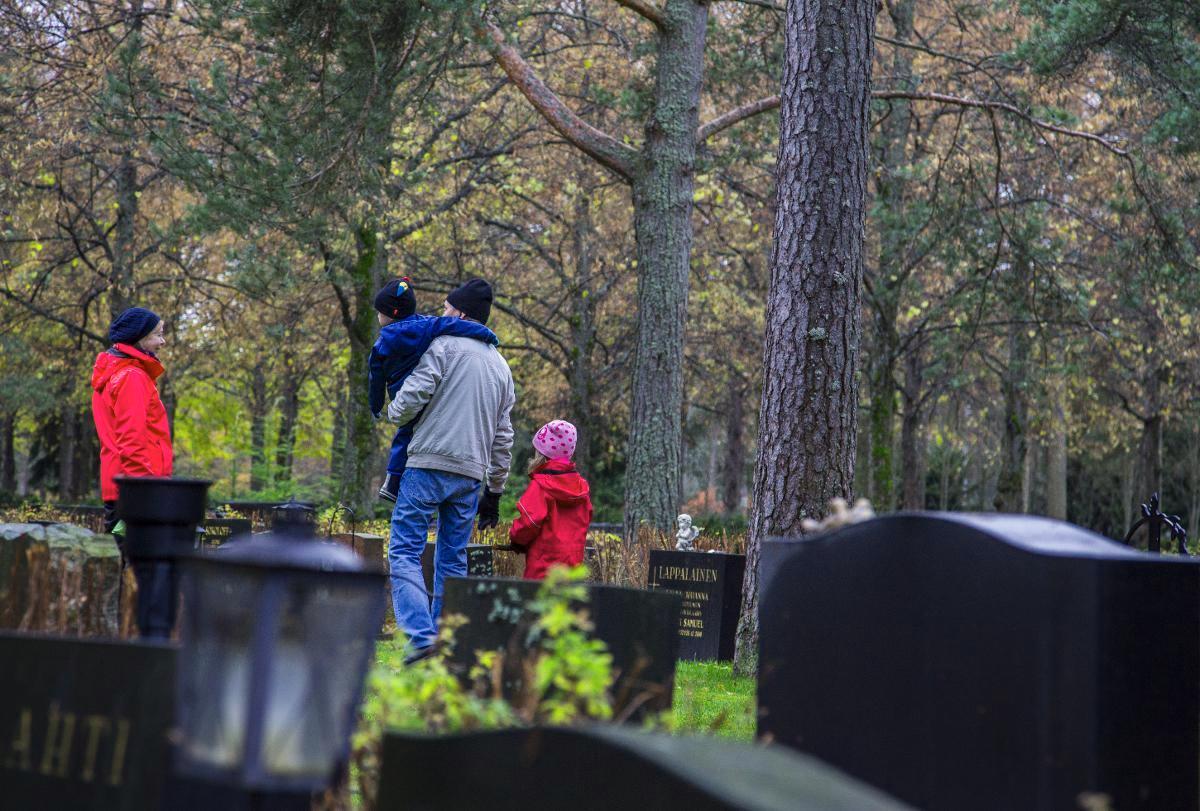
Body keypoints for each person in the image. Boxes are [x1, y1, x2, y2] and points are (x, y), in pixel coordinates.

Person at [386, 278, 515, 664]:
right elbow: (504, 437)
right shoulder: (501, 366)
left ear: (460, 313)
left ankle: (422, 637)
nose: (441, 314)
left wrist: (391, 412)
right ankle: (448, 643)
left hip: (428, 463)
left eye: (445, 308)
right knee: (452, 559)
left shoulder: (442, 347)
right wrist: (495, 491)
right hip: (470, 475)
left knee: (404, 550)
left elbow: (412, 397)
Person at [368, 277, 499, 502]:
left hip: (405, 398)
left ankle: (392, 480)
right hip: (469, 461)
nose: (443, 312)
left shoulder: (384, 344)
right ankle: (393, 481)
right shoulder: (427, 325)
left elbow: (376, 379)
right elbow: (454, 325)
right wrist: (488, 335)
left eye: (446, 308)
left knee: (404, 435)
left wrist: (378, 407)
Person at [91, 307, 171, 536]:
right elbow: (132, 441)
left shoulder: (117, 373)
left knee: (124, 562)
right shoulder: (131, 377)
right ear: (140, 338)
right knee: (134, 565)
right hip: (135, 492)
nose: (162, 341)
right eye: (158, 334)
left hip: (124, 489)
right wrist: (144, 493)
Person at [509, 420, 592, 579]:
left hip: (542, 569)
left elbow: (528, 523)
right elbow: (586, 519)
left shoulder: (540, 486)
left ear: (541, 455)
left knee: (539, 603)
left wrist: (516, 539)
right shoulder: (581, 489)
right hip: (572, 568)